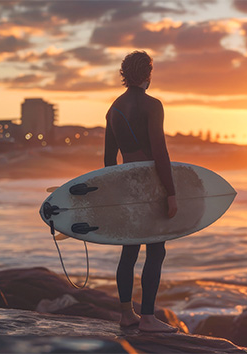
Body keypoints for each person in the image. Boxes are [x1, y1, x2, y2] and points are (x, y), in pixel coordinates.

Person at [104, 50, 178, 333]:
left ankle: (126, 314)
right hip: (151, 183)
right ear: (147, 74)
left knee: (129, 251)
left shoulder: (113, 109)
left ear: (124, 74)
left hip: (126, 184)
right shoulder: (152, 105)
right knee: (156, 250)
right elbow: (159, 151)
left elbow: (109, 160)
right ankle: (147, 318)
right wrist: (170, 192)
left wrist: (114, 195)